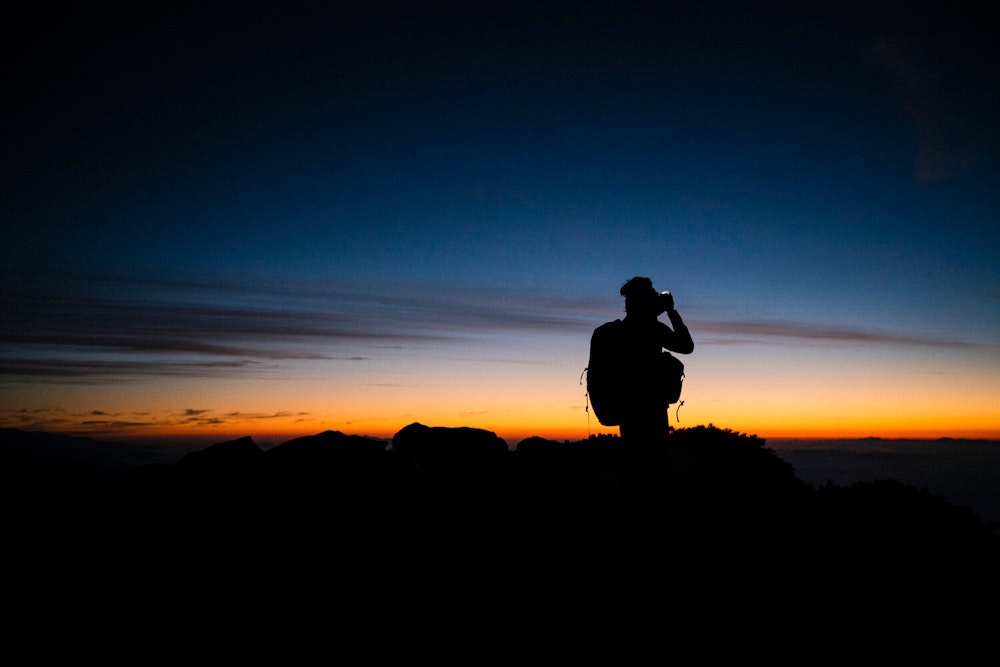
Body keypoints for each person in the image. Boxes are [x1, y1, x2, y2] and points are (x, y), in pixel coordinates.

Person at [616, 276, 694, 446]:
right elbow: (686, 346)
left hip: (628, 410)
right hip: (651, 409)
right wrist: (671, 311)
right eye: (653, 294)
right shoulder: (651, 328)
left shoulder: (622, 329)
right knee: (654, 463)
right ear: (643, 300)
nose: (657, 296)